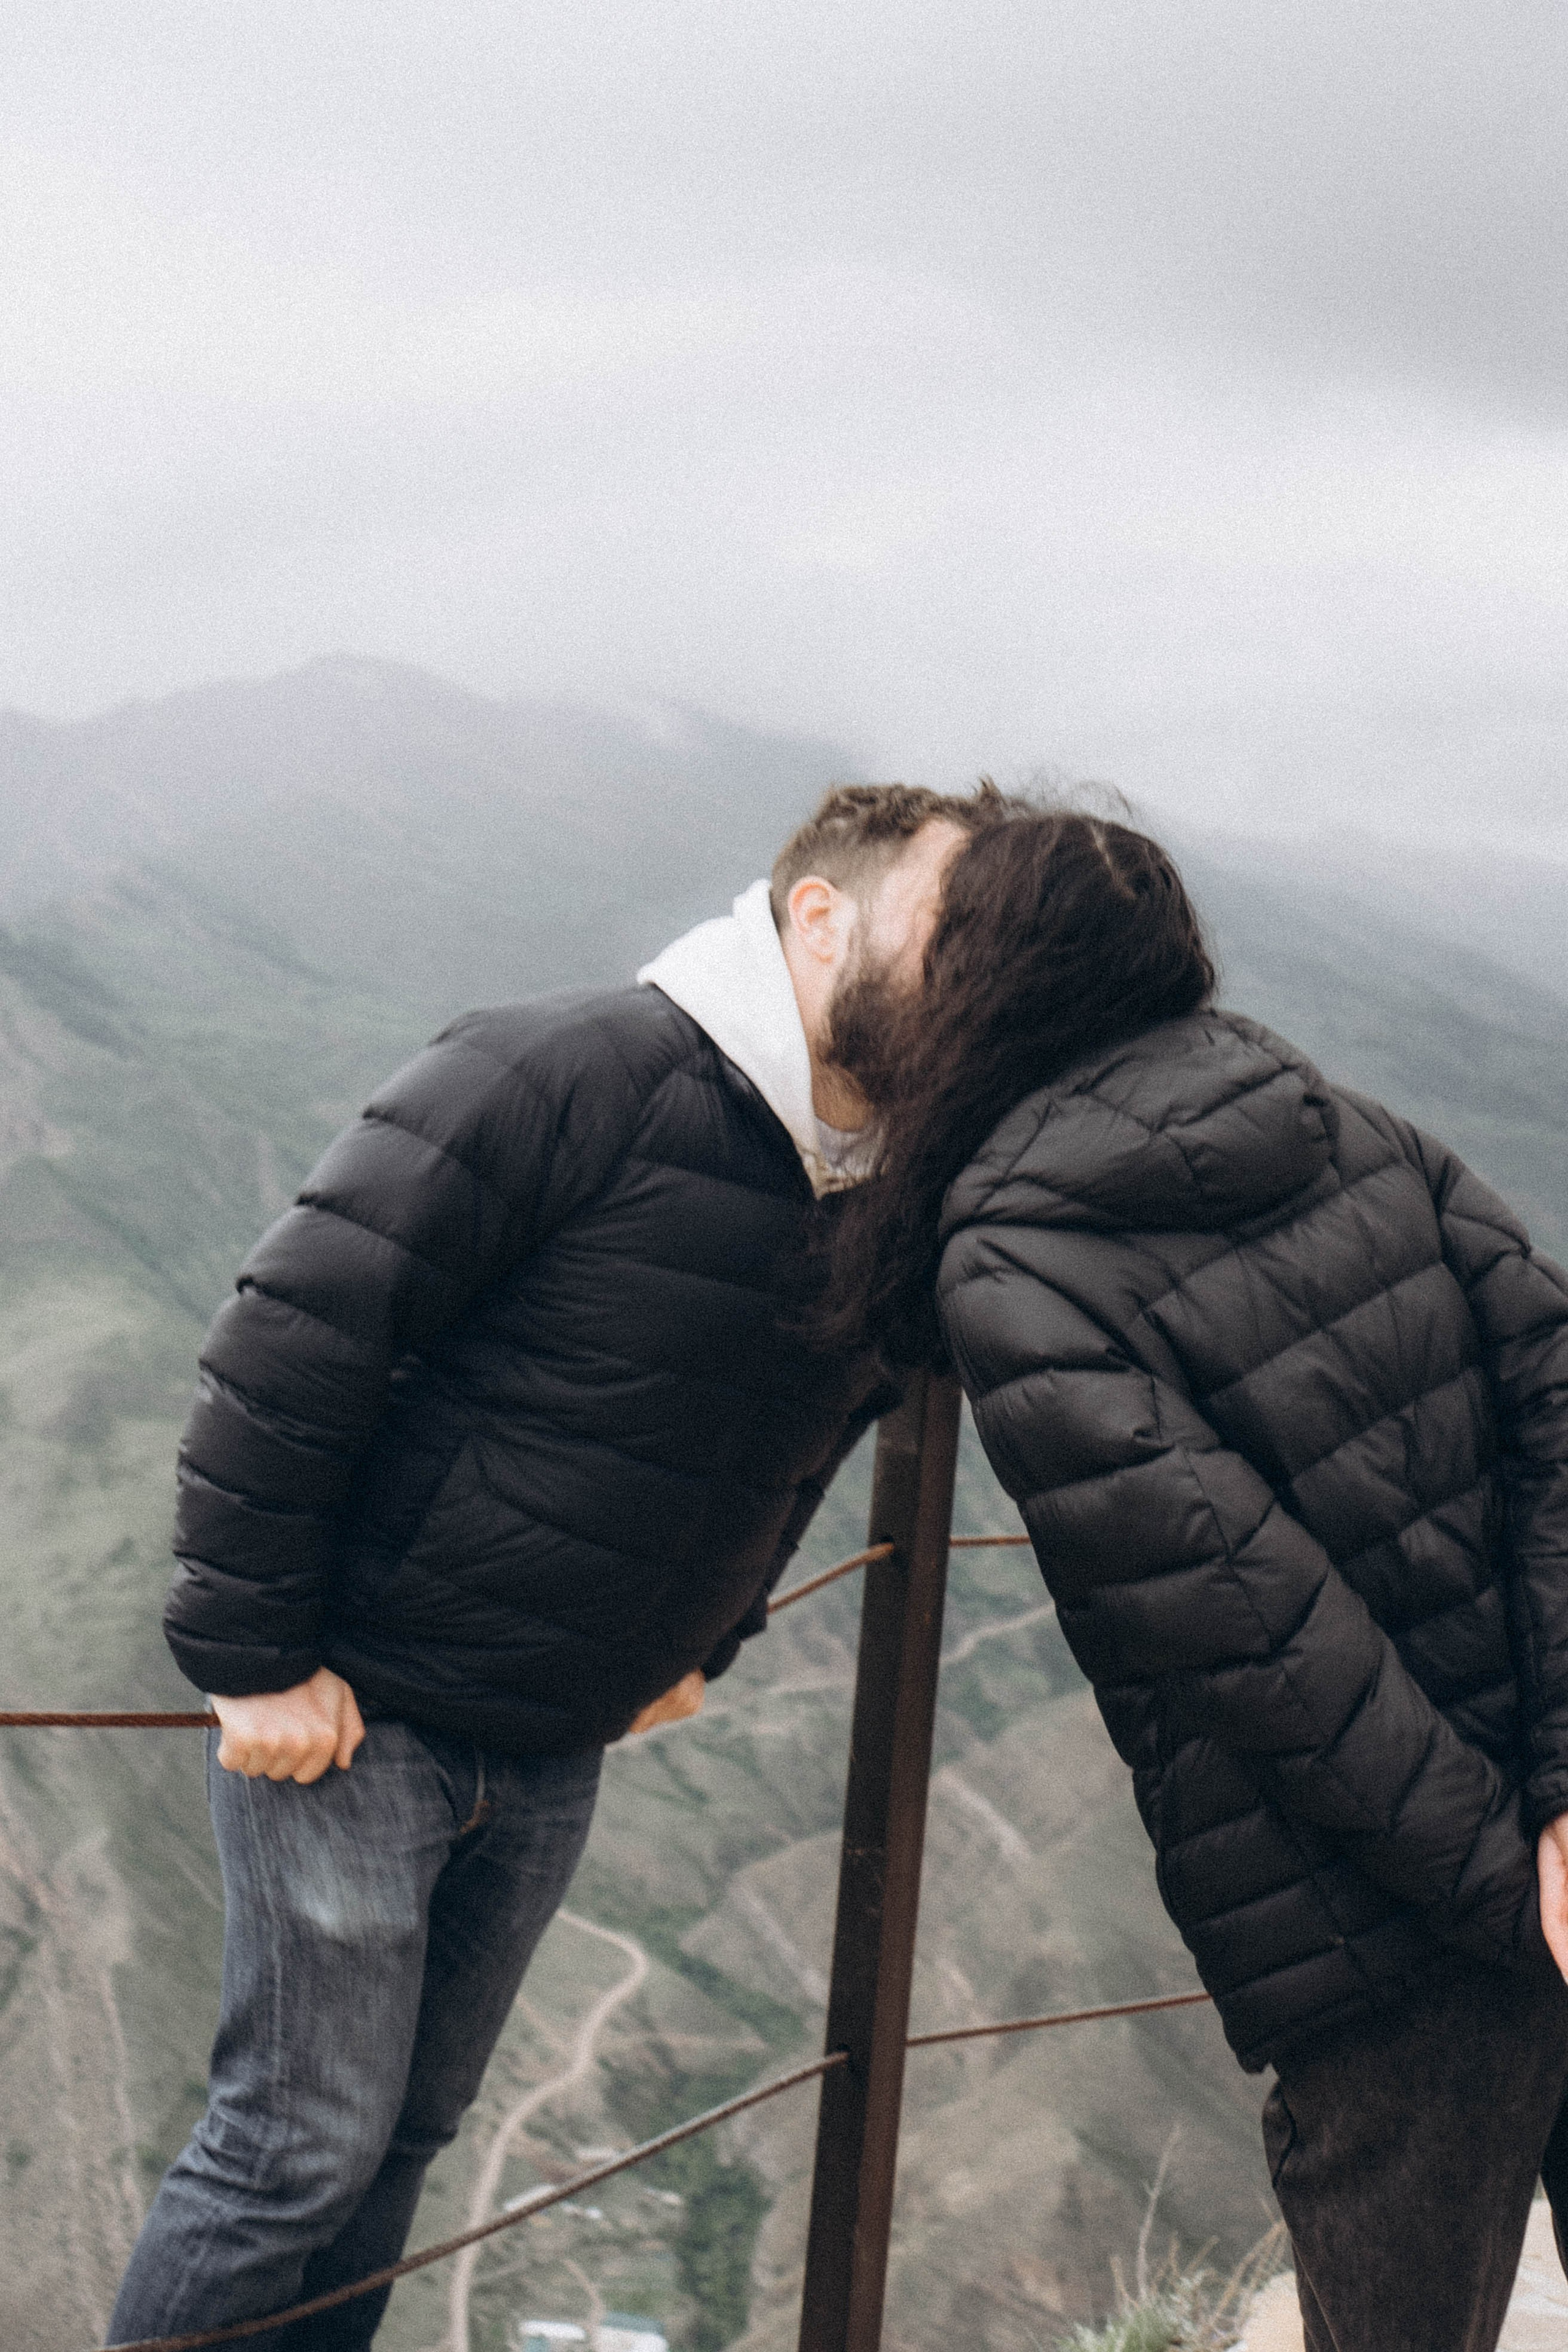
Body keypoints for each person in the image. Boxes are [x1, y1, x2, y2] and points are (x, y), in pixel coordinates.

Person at [107, 782, 999, 2351]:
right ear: (817, 918)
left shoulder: (881, 1186)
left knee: (400, 2145)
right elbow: (294, 1332)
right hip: (357, 1718)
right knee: (288, 2157)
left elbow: (810, 1436)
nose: (977, 975)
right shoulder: (570, 1069)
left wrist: (705, 1643)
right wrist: (250, 1661)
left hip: (550, 1751)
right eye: (951, 931)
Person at [820, 804, 1568, 2352]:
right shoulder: (1349, 1124)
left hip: (1384, 1933)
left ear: (986, 985)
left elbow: (1250, 1634)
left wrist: (1512, 1897)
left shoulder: (1006, 1261)